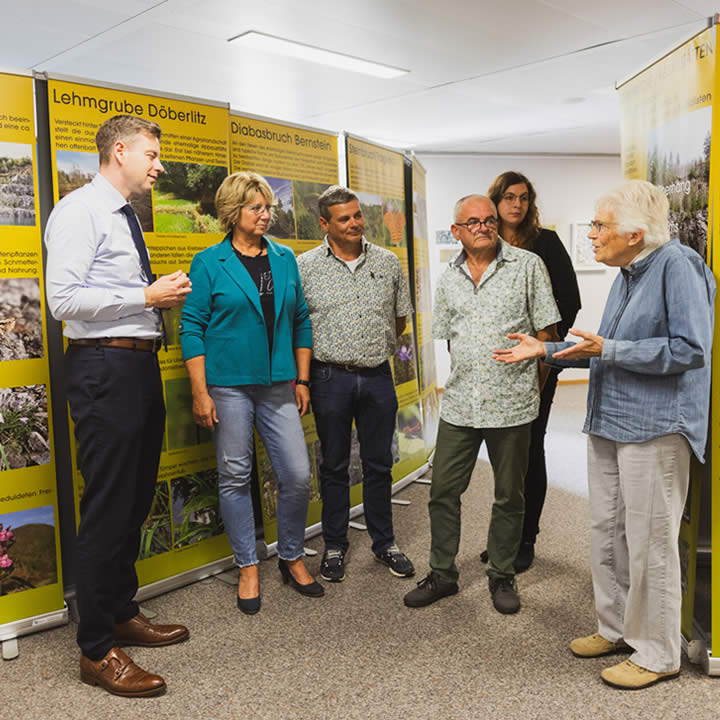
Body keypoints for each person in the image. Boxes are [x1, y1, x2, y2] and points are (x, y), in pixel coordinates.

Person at [492, 180, 714, 689]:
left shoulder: (677, 265)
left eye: (599, 225)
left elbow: (689, 349)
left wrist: (605, 352)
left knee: (649, 541)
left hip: (656, 427)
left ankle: (658, 653)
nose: (591, 234)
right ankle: (616, 629)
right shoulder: (628, 271)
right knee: (608, 532)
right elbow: (603, 344)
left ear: (635, 233)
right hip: (612, 421)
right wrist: (545, 351)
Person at [44, 115, 191, 698]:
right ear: (120, 150)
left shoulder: (125, 214)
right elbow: (62, 300)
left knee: (133, 496)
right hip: (102, 366)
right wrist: (144, 295)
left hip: (135, 364)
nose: (159, 165)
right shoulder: (79, 211)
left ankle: (121, 609)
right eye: (152, 154)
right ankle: (96, 648)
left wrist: (157, 302)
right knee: (107, 501)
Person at [403, 194, 560, 615]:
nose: (483, 227)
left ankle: (502, 574)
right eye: (471, 222)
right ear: (456, 231)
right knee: (443, 491)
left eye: (488, 220)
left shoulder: (528, 266)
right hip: (459, 405)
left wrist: (534, 390)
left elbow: (546, 334)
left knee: (510, 496)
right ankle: (442, 574)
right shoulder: (449, 277)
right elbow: (453, 340)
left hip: (512, 406)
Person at [180, 171, 322, 614]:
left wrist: (302, 379)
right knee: (236, 476)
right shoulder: (209, 263)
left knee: (297, 475)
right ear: (232, 212)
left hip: (279, 384)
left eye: (267, 207)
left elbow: (300, 320)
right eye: (255, 208)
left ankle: (292, 555)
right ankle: (247, 564)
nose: (265, 215)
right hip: (228, 387)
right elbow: (192, 328)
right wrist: (201, 393)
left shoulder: (284, 258)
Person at [297, 186, 415, 583]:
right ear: (325, 224)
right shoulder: (305, 267)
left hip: (378, 375)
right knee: (333, 466)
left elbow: (399, 321)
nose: (354, 223)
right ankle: (335, 546)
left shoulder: (387, 261)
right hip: (329, 377)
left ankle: (385, 543)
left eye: (357, 215)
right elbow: (297, 325)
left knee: (379, 463)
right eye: (343, 218)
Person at [482, 171, 581, 572]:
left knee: (529, 447)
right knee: (503, 453)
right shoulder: (485, 243)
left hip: (538, 362)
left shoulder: (547, 244)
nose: (516, 205)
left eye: (523, 197)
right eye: (508, 197)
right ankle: (505, 536)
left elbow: (569, 301)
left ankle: (526, 539)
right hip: (496, 365)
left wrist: (544, 343)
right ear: (496, 201)